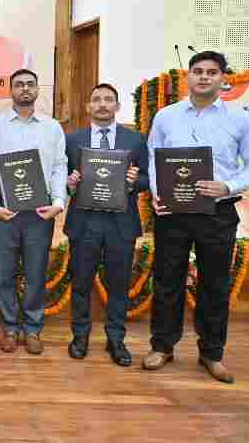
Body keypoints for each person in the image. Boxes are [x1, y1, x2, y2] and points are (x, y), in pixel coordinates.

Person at [143, 51, 249, 383]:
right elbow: (153, 159)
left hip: (218, 211)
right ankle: (162, 346)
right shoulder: (166, 116)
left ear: (223, 79)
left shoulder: (241, 120)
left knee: (215, 284)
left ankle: (212, 353)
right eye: (197, 71)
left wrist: (227, 186)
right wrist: (157, 193)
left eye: (211, 72)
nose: (204, 77)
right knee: (167, 280)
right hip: (173, 211)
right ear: (188, 77)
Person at [0, 69, 67, 355]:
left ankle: (32, 329)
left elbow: (59, 166)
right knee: (5, 272)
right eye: (19, 85)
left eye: (30, 84)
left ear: (37, 89)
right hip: (4, 211)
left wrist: (58, 202)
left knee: (35, 273)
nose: (25, 89)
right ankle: (9, 328)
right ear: (11, 90)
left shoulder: (52, 127)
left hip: (39, 212)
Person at [64, 83, 148, 366]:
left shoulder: (135, 140)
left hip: (120, 223)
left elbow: (148, 178)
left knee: (119, 285)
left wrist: (134, 181)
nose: (102, 104)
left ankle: (116, 339)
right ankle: (80, 336)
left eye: (108, 99)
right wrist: (70, 183)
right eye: (97, 99)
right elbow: (59, 176)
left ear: (117, 106)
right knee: (81, 282)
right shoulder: (72, 140)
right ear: (88, 106)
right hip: (83, 221)